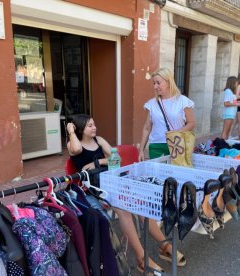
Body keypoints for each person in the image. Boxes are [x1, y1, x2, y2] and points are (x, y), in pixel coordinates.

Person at [67, 115, 184, 273]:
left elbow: (116, 158)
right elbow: (76, 150)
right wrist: (70, 131)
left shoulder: (99, 140)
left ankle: (164, 244)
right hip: (92, 189)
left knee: (139, 204)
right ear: (79, 129)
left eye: (94, 124)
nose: (94, 127)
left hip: (111, 181)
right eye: (89, 125)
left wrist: (96, 162)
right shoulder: (73, 144)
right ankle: (141, 258)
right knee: (124, 210)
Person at [138, 67, 196, 160]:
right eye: (154, 83)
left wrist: (176, 133)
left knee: (177, 173)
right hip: (156, 147)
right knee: (157, 174)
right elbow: (147, 128)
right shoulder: (151, 104)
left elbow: (191, 123)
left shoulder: (182, 101)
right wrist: (141, 150)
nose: (155, 86)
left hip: (177, 144)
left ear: (169, 82)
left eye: (158, 83)